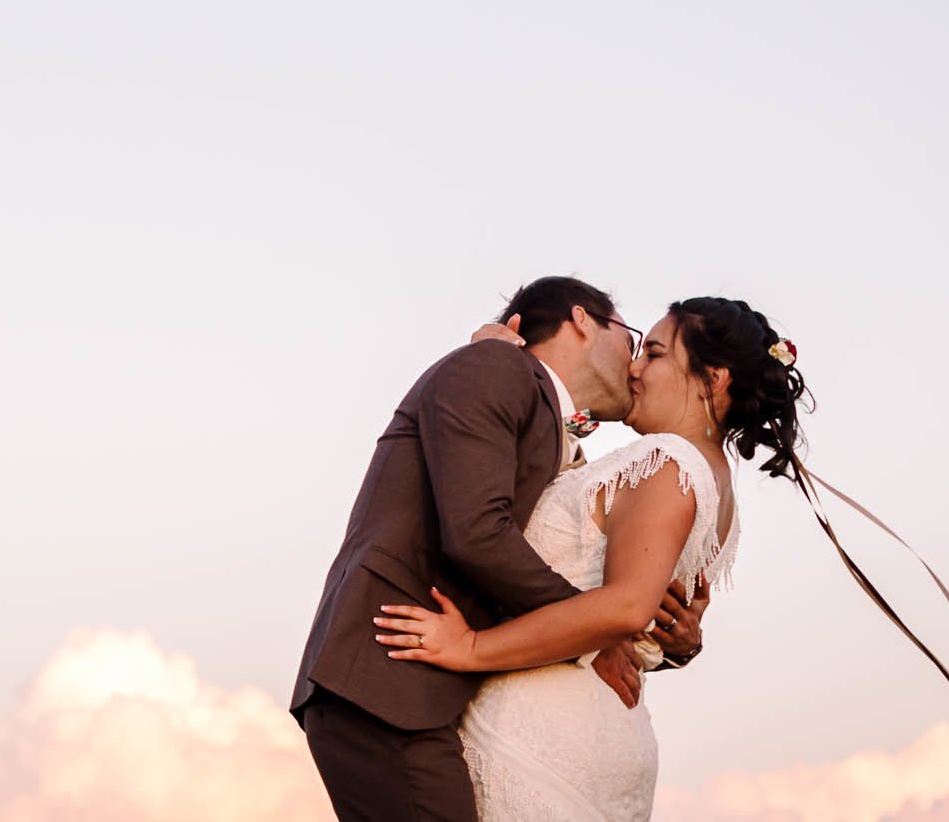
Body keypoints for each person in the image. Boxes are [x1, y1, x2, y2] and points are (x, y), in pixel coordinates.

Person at [372, 296, 808, 820]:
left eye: (654, 353)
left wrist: (470, 647)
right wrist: (678, 646)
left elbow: (624, 609)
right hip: (605, 728)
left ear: (712, 379)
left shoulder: (666, 462)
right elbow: (647, 629)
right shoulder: (716, 491)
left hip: (543, 727)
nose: (635, 367)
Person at [290, 277, 706, 822]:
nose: (634, 366)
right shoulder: (493, 367)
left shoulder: (566, 440)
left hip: (437, 696)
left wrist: (663, 637)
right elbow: (478, 533)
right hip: (388, 671)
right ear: (581, 320)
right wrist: (597, 636)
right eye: (631, 340)